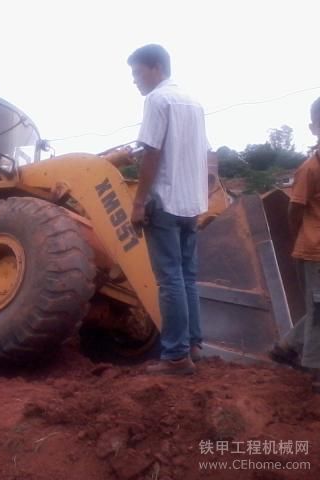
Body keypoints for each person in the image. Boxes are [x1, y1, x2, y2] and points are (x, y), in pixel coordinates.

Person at [127, 44, 209, 375]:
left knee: (169, 279)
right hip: (191, 203)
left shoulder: (157, 100)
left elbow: (153, 154)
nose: (134, 80)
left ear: (155, 68)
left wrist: (138, 200)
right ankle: (192, 345)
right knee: (187, 276)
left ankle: (175, 356)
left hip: (164, 201)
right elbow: (203, 152)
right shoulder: (194, 103)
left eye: (136, 72)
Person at [269, 97, 320, 393]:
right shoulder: (309, 169)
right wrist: (298, 235)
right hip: (314, 252)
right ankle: (314, 370)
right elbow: (294, 209)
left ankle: (286, 345)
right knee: (319, 310)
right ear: (314, 128)